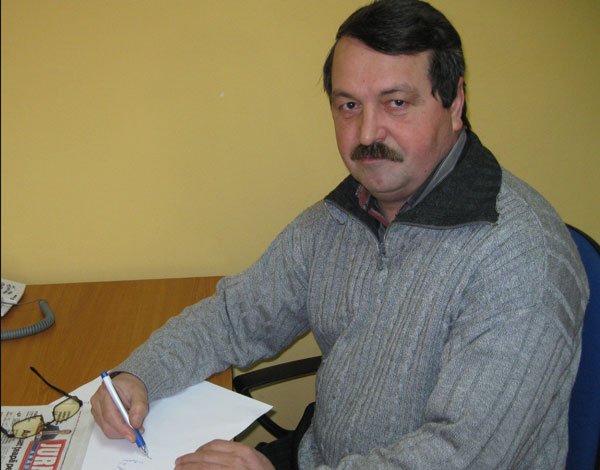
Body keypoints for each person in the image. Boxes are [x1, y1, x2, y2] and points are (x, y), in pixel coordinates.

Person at [91, 1, 589, 468]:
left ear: (455, 102)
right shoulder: (343, 216)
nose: (367, 133)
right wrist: (139, 374)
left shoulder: (522, 263)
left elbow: (462, 457)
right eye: (349, 105)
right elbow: (235, 317)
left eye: (396, 102)